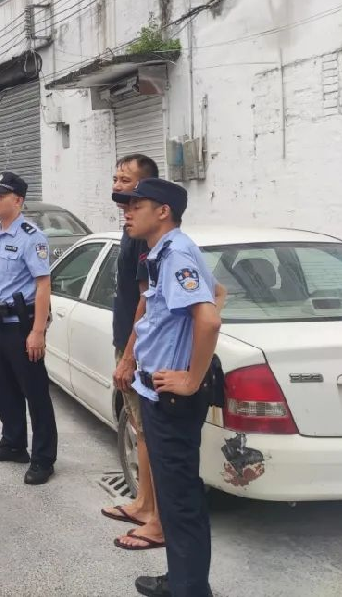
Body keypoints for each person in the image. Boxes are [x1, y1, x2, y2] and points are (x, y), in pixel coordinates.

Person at [112, 178, 222, 597]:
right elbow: (219, 292)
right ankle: (182, 580)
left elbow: (209, 318)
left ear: (163, 212)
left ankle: (190, 589)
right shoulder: (165, 253)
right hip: (158, 392)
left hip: (172, 397)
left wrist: (191, 377)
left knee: (179, 501)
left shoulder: (175, 253)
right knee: (175, 499)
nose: (127, 212)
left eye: (136, 205)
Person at [0, 171, 58, 485]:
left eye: (0, 195)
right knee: (4, 388)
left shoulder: (31, 237)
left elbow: (43, 285)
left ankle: (43, 459)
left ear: (19, 200)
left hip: (21, 327)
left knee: (35, 394)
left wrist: (37, 331)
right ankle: (13, 443)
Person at [102, 154, 165, 551]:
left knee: (148, 430)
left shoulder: (145, 235)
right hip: (128, 340)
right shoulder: (130, 227)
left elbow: (146, 300)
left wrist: (129, 356)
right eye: (115, 178)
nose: (117, 185)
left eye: (125, 180)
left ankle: (154, 513)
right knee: (141, 429)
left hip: (139, 346)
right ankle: (143, 503)